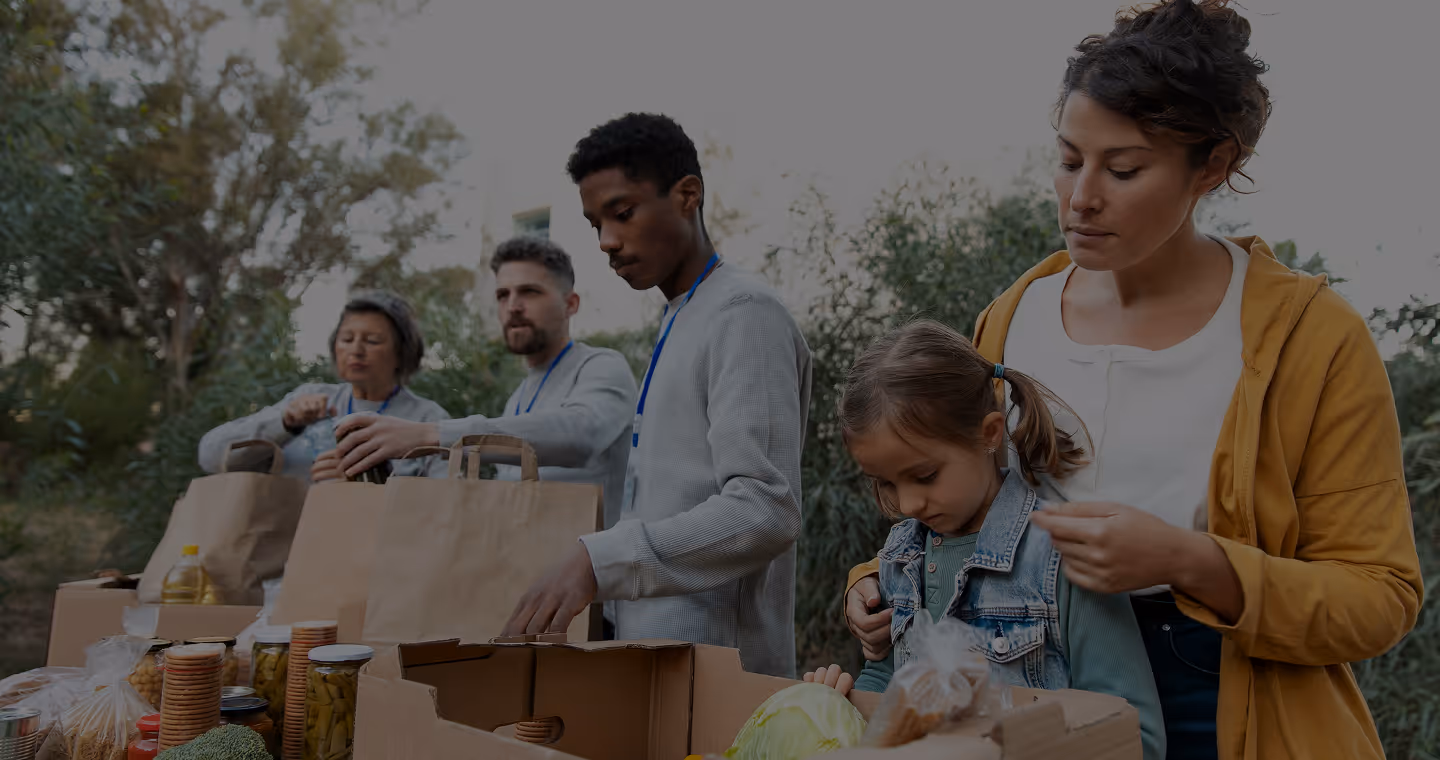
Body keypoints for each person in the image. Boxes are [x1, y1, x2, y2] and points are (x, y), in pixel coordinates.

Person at [840, 2, 1423, 758]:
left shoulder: (1311, 337)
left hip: (1224, 703)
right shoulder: (1012, 318)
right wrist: (876, 587)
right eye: (1069, 158)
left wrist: (1192, 562)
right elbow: (957, 501)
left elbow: (1380, 598)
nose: (1081, 198)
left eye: (1123, 169)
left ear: (1212, 165)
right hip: (1028, 700)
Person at [500, 112, 813, 679]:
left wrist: (600, 560)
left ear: (688, 195)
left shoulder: (743, 314)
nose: (607, 242)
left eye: (623, 213)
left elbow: (766, 509)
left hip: (722, 678)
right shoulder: (681, 315)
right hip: (660, 661)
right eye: (595, 224)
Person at [799, 320, 1164, 760]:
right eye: (886, 483)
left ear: (989, 434)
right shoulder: (899, 558)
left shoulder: (1065, 560)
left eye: (925, 475)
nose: (909, 503)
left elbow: (1135, 735)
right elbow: (888, 682)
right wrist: (838, 706)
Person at [332, 237, 639, 635]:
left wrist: (431, 434)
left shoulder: (602, 367)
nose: (513, 306)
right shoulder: (519, 396)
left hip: (584, 609)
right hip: (514, 595)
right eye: (502, 294)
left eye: (530, 291)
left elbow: (581, 435)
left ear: (570, 304)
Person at [197, 290, 450, 483]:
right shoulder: (308, 401)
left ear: (402, 353)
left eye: (372, 341)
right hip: (290, 548)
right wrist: (284, 424)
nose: (356, 350)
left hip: (381, 550)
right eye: (347, 339)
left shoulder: (426, 418)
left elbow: (446, 504)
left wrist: (371, 481)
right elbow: (211, 458)